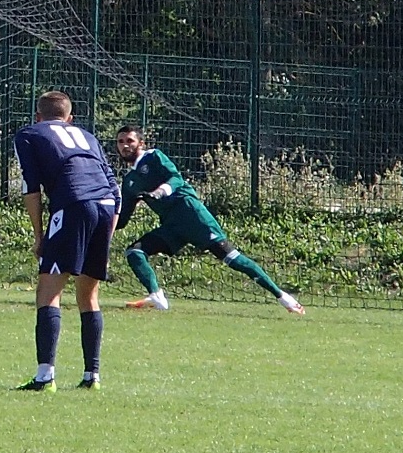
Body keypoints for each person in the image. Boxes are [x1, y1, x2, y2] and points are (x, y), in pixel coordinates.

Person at [114, 125, 305, 315]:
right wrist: (100, 222)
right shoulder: (129, 180)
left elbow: (176, 178)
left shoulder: (154, 157)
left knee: (232, 258)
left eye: (130, 140)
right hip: (172, 226)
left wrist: (160, 192)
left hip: (193, 216)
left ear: (141, 143)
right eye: (121, 142)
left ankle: (283, 297)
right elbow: (122, 220)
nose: (125, 145)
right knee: (135, 252)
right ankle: (156, 296)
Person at [13, 91, 120, 392]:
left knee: (48, 291)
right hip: (106, 206)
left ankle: (45, 376)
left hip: (73, 204)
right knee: (88, 294)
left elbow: (31, 188)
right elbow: (115, 189)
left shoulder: (29, 134)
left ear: (38, 116)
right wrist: (106, 238)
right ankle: (92, 376)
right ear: (69, 118)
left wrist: (39, 236)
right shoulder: (88, 136)